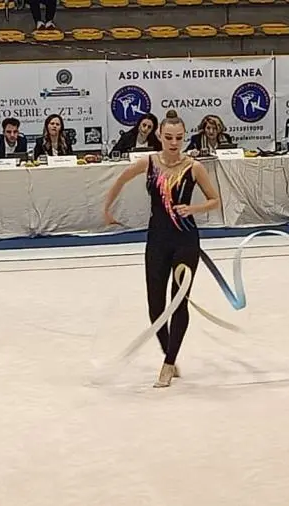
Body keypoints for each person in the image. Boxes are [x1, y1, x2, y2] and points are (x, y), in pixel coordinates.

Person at [102, 110, 221, 388]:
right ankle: (170, 351)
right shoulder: (150, 163)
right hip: (157, 239)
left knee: (178, 301)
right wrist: (106, 208)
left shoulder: (193, 167)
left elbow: (215, 200)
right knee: (156, 307)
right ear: (159, 136)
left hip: (186, 240)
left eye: (179, 138)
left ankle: (169, 362)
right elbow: (120, 179)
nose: (173, 142)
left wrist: (193, 208)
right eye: (168, 137)